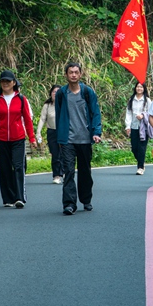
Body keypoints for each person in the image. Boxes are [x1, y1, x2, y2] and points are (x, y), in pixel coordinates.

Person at [54, 62, 102, 215]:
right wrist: (60, 137)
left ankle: (86, 200)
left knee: (85, 171)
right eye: (70, 72)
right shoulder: (62, 93)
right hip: (68, 139)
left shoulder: (88, 92)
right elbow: (59, 116)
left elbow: (95, 113)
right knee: (68, 171)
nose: (73, 75)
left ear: (80, 74)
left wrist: (96, 132)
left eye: (76, 72)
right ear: (66, 75)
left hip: (85, 139)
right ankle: (69, 204)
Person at [0, 70, 36, 209]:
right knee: (4, 169)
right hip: (1, 138)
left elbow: (27, 120)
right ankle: (8, 198)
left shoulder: (22, 99)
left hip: (18, 138)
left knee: (18, 166)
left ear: (14, 83)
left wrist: (32, 138)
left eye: (8, 81)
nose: (5, 83)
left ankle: (19, 197)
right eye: (3, 81)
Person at [36, 85, 63, 184]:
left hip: (63, 132)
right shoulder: (47, 105)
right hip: (52, 132)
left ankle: (63, 172)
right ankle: (56, 175)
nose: (55, 93)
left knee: (64, 154)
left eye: (58, 91)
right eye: (54, 91)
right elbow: (42, 119)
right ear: (51, 93)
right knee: (55, 154)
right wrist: (38, 132)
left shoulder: (65, 104)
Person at [124, 81, 152, 176]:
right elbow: (128, 113)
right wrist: (128, 126)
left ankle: (140, 167)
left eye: (141, 87)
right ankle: (141, 161)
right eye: (137, 87)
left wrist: (143, 116)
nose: (139, 88)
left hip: (143, 127)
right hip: (134, 127)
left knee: (142, 147)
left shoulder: (147, 100)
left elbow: (151, 113)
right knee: (134, 148)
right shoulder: (131, 100)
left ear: (144, 89)